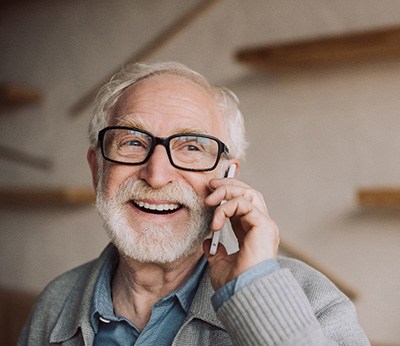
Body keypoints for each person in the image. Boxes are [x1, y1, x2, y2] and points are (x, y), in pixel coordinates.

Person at [18, 62, 370, 345]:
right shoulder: (55, 303)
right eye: (132, 142)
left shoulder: (314, 301)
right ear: (98, 170)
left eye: (191, 147)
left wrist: (255, 296)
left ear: (229, 175)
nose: (156, 175)